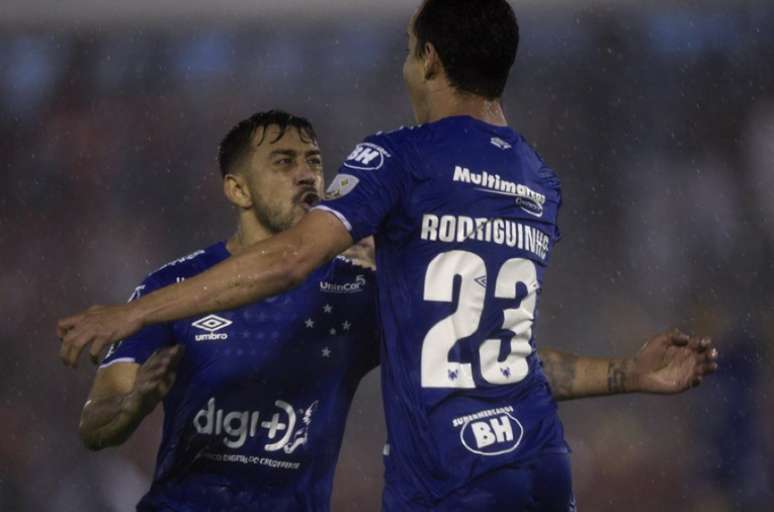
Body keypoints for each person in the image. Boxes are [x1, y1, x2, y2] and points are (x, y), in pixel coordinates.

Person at [59, 2, 719, 510]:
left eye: (408, 52)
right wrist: (626, 374)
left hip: (448, 478)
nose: (307, 174)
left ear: (430, 60)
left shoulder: (394, 168)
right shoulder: (537, 180)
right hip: (538, 463)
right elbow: (494, 360)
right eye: (282, 161)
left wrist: (131, 313)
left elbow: (294, 261)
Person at [77, 110, 382, 511]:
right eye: (284, 162)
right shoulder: (169, 289)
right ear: (238, 190)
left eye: (313, 161)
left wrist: (391, 258)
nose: (307, 174)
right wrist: (132, 404)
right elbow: (94, 426)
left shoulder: (354, 287)